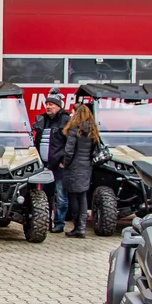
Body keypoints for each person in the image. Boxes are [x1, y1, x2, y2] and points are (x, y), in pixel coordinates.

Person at [61, 103, 100, 239]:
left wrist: (64, 163)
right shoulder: (92, 129)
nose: (70, 114)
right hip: (86, 167)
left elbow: (69, 150)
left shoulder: (74, 129)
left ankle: (77, 226)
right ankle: (82, 227)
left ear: (77, 114)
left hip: (74, 167)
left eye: (72, 112)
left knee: (73, 197)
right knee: (82, 196)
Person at [33, 92, 70, 233]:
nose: (48, 107)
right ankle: (45, 221)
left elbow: (70, 143)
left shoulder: (65, 120)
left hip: (59, 166)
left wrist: (64, 161)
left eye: (51, 104)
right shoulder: (42, 120)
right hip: (44, 165)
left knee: (61, 196)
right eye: (47, 104)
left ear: (58, 106)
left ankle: (59, 223)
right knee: (44, 196)